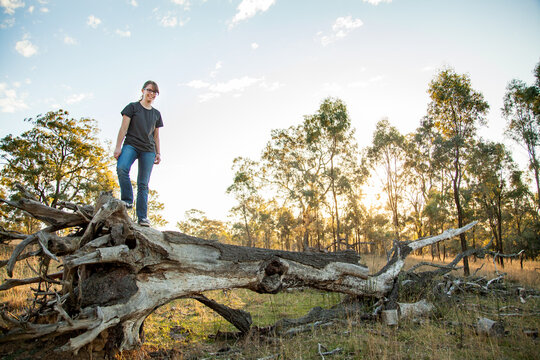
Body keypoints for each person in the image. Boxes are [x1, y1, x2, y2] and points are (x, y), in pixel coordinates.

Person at [114, 80, 163, 227]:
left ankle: (142, 217)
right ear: (142, 91)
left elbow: (156, 136)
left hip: (148, 150)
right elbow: (123, 129)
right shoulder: (132, 108)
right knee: (122, 167)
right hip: (131, 145)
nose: (152, 94)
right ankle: (127, 201)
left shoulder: (156, 114)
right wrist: (118, 147)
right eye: (149, 90)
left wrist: (158, 152)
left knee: (143, 183)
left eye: (155, 92)